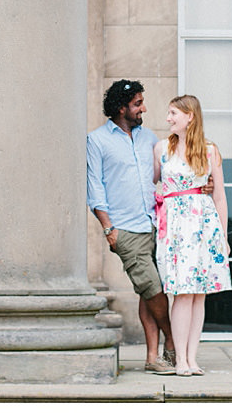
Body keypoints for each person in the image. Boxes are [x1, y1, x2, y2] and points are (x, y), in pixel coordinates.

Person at [86, 80, 177, 374]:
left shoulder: (149, 137)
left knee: (144, 291)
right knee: (153, 289)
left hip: (155, 223)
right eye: (138, 103)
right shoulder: (97, 140)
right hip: (125, 229)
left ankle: (152, 358)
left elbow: (169, 172)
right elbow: (95, 187)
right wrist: (108, 228)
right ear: (121, 107)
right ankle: (173, 341)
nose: (144, 109)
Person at [152, 94, 231, 377]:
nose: (168, 118)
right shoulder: (162, 149)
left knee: (199, 295)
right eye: (169, 112)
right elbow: (152, 186)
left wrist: (222, 236)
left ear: (190, 117)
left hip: (203, 225)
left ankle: (192, 358)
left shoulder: (210, 151)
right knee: (182, 293)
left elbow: (220, 197)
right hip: (175, 227)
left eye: (174, 113)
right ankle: (180, 360)